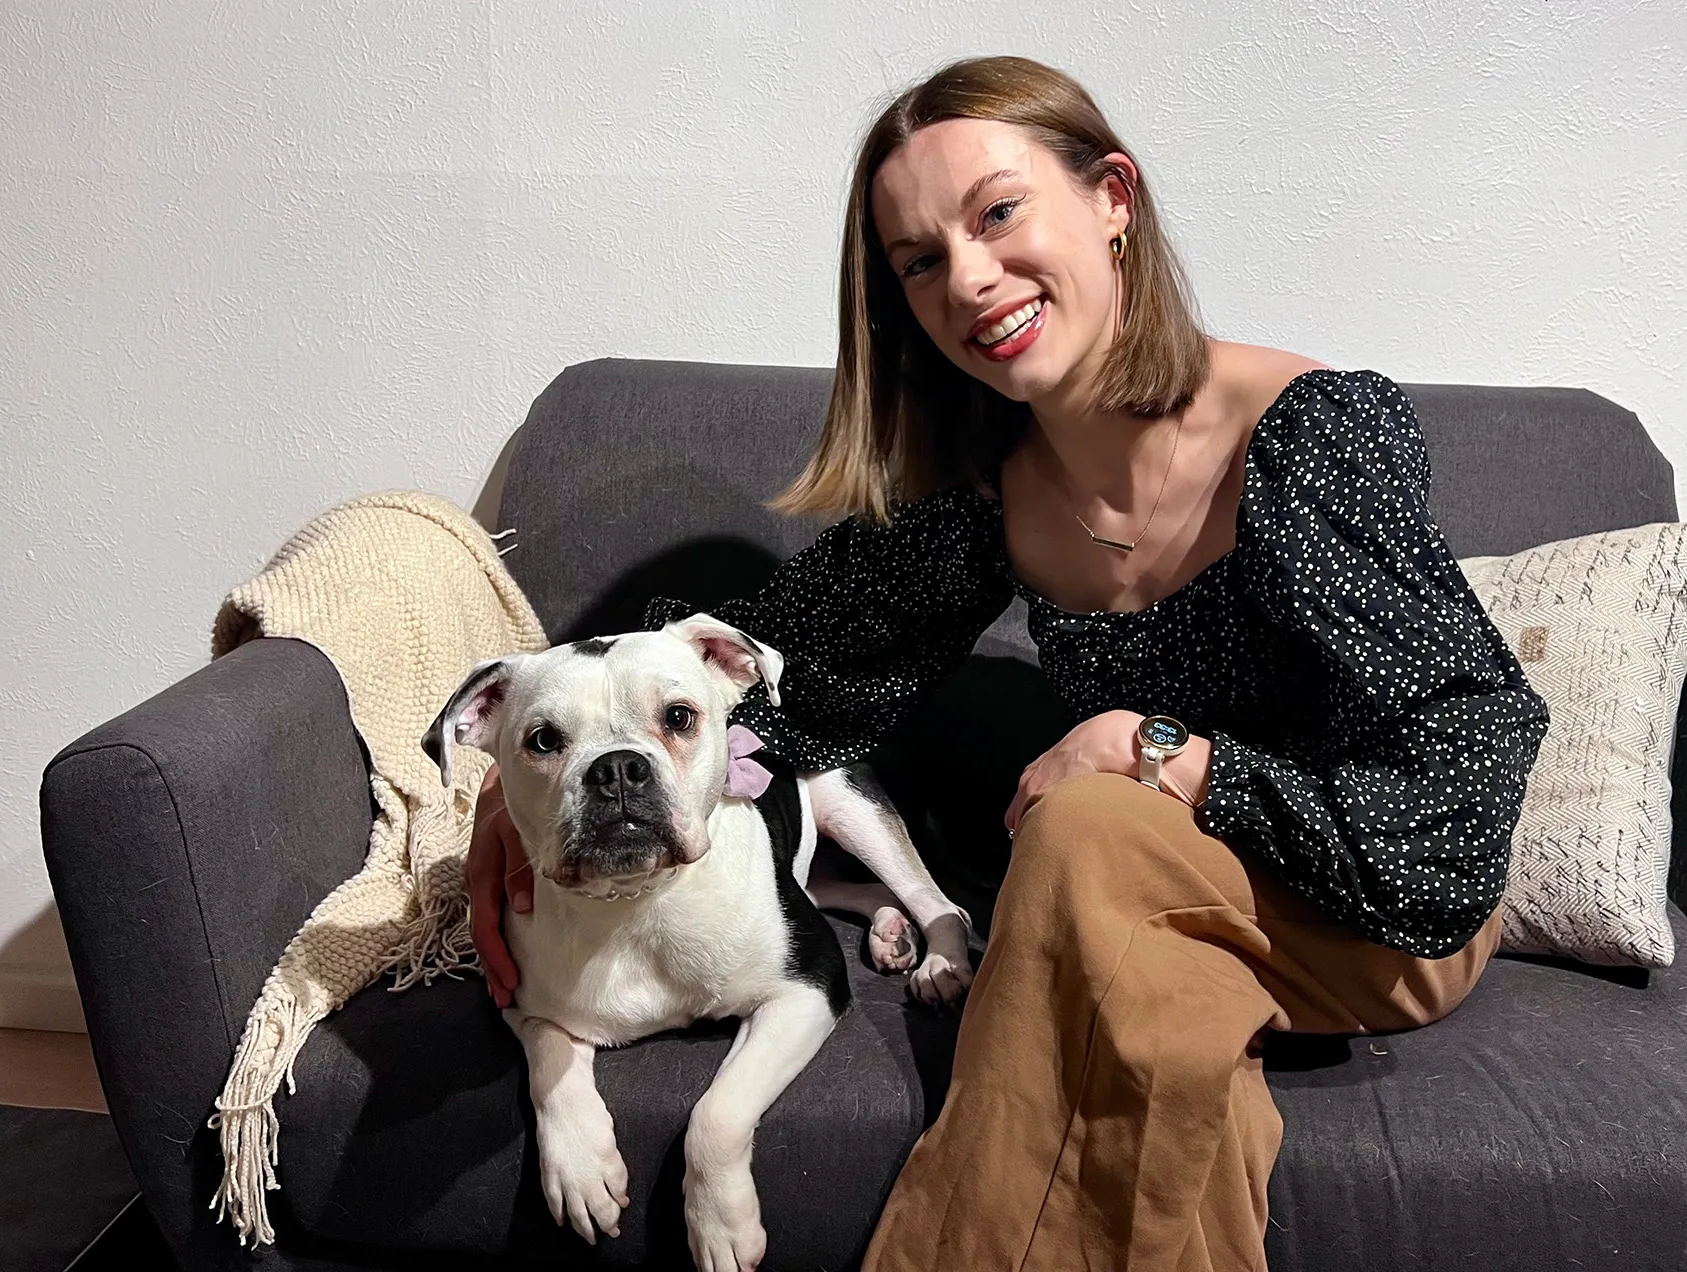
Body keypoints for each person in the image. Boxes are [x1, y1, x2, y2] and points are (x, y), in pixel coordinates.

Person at [466, 53, 1550, 1272]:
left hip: (1369, 909)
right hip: (1152, 927)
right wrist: (551, 784)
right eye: (920, 261)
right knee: (1147, 1025)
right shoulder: (992, 501)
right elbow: (768, 670)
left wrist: (1158, 754)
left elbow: (1449, 813)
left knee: (1083, 826)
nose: (968, 280)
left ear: (1112, 201)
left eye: (997, 214)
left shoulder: (1312, 439)